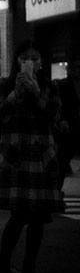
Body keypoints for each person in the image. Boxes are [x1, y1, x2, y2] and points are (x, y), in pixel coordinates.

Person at [0, 39, 65, 273]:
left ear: (42, 62)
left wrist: (35, 92)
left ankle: (29, 269)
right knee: (18, 214)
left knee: (38, 217)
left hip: (42, 154)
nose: (29, 63)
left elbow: (54, 115)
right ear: (16, 61)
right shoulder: (3, 84)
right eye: (25, 58)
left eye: (34, 58)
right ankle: (2, 265)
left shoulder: (50, 86)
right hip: (16, 154)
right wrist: (16, 94)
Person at [55, 53, 80, 188]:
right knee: (62, 162)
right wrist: (62, 120)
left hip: (73, 125)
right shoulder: (62, 85)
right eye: (76, 67)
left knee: (63, 161)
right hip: (69, 127)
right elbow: (58, 105)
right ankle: (56, 192)